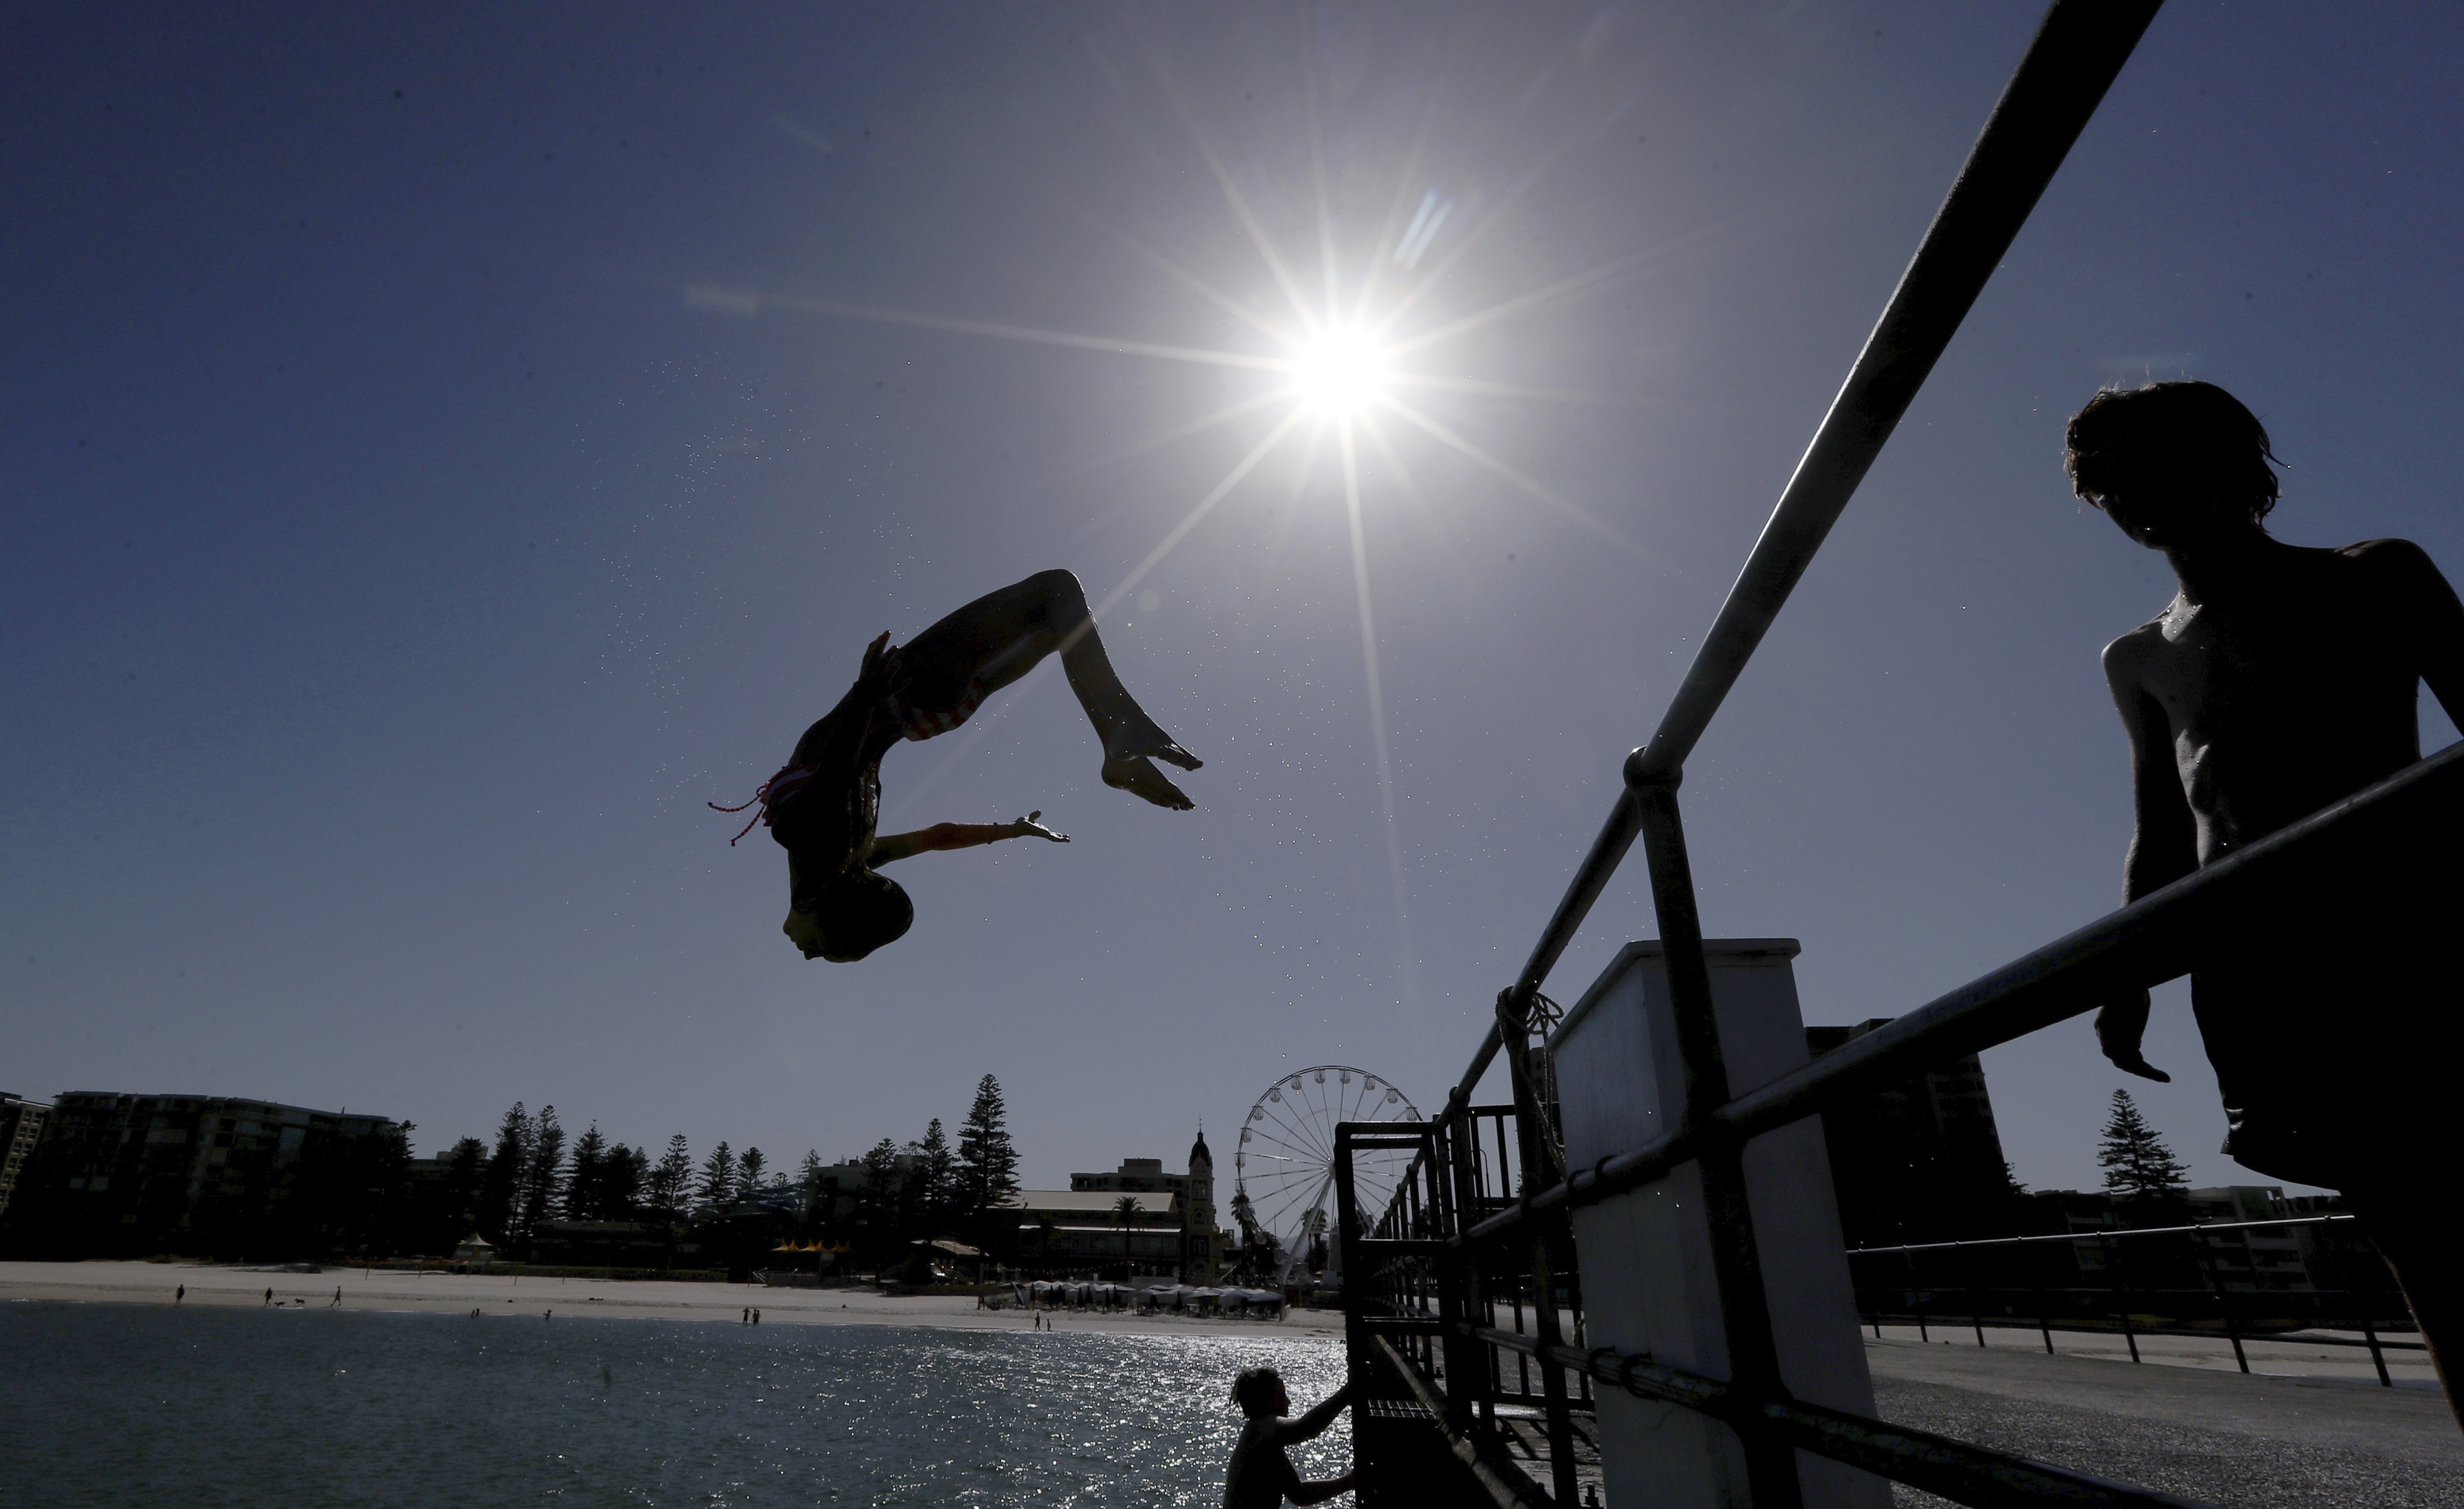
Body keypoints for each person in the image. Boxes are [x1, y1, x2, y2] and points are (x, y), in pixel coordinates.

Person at [2069, 380, 2464, 1418]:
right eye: (2115, 477)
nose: (2140, 490)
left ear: (2241, 471)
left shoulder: (2375, 575)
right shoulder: (2139, 656)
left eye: (2165, 459)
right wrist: (2124, 979)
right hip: (2260, 973)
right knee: (2407, 1218)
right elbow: (2164, 828)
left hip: (2408, 931)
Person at [713, 570, 1201, 962]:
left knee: (1058, 628)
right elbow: (836, 779)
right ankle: (1121, 728)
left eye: (820, 952)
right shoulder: (816, 844)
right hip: (910, 694)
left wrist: (1011, 831)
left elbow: (931, 838)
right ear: (832, 913)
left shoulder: (849, 858)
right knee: (1055, 591)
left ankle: (1116, 750)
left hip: (930, 716)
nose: (808, 956)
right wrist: (864, 697)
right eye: (825, 949)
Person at [1223, 1367, 1354, 1508]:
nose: (1288, 1402)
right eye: (1281, 1396)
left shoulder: (1264, 1442)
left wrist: (1350, 1482)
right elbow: (1306, 1428)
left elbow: (1300, 1495)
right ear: (1263, 1402)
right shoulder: (1260, 1427)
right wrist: (1348, 1393)